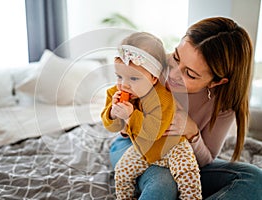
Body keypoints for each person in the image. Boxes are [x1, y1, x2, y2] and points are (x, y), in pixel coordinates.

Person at [109, 17, 262, 199]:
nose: (172, 73)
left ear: (217, 82)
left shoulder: (224, 105)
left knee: (253, 178)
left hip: (181, 157)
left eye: (189, 74)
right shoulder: (152, 66)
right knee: (164, 183)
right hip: (136, 145)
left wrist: (192, 132)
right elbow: (119, 106)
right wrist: (124, 113)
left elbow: (205, 162)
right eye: (176, 57)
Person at [102, 32, 202, 199]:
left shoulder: (162, 97)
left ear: (154, 78)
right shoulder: (115, 93)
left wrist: (130, 116)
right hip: (143, 149)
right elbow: (111, 127)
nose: (124, 84)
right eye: (119, 76)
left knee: (188, 173)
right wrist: (113, 112)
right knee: (122, 172)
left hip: (172, 147)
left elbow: (152, 132)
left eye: (134, 78)